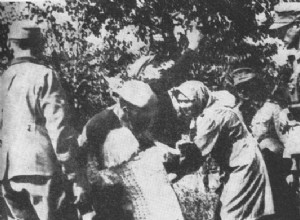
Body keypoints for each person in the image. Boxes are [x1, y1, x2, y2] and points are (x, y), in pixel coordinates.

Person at [0, 20, 88, 220]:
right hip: (40, 170)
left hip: (8, 174)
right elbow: (60, 131)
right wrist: (75, 175)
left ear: (10, 45)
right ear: (39, 45)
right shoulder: (44, 76)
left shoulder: (3, 79)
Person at [171, 80, 274, 220]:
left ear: (200, 98)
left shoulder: (215, 115)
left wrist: (171, 172)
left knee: (232, 213)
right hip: (233, 166)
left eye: (187, 101)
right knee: (225, 212)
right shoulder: (203, 113)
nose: (183, 106)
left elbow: (195, 154)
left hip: (244, 166)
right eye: (180, 101)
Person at [78, 80, 178, 219]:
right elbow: (89, 170)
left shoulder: (138, 118)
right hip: (110, 194)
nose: (149, 121)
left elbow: (146, 145)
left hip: (136, 191)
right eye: (146, 118)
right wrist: (86, 208)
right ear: (127, 110)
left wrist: (162, 151)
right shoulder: (100, 126)